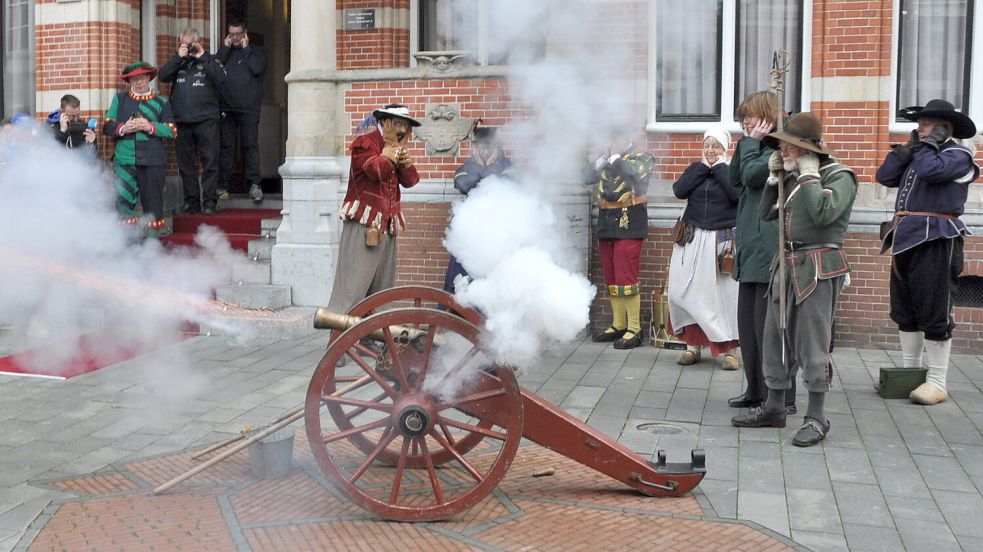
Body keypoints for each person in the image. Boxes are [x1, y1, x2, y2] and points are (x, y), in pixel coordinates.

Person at [731, 112, 857, 447]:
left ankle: (817, 416)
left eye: (789, 147)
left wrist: (810, 175)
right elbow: (765, 214)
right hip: (784, 263)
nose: (783, 152)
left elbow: (823, 213)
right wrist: (776, 180)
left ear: (808, 150)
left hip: (817, 265)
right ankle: (774, 406)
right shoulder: (792, 174)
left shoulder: (839, 176)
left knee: (811, 341)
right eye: (782, 147)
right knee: (774, 335)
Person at [875, 99, 979, 405]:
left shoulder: (959, 155)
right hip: (905, 237)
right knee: (905, 308)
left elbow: (931, 172)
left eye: (926, 123)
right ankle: (911, 373)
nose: (918, 128)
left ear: (944, 128)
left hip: (937, 240)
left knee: (935, 310)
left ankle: (937, 381)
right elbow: (884, 176)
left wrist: (925, 147)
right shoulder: (921, 152)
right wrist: (905, 151)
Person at [728, 91, 797, 413]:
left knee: (771, 327)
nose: (745, 122)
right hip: (750, 249)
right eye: (743, 117)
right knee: (749, 327)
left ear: (767, 117)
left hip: (769, 248)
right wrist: (745, 143)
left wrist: (751, 144)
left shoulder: (781, 147)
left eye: (750, 116)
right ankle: (754, 389)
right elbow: (734, 179)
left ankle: (781, 396)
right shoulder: (751, 146)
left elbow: (754, 176)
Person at [326, 103, 420, 314]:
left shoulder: (395, 147)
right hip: (364, 226)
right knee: (352, 290)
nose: (402, 130)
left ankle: (375, 335)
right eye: (397, 124)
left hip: (387, 227)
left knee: (382, 292)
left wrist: (403, 160)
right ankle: (341, 333)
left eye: (405, 125)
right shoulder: (364, 143)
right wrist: (390, 153)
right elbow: (376, 171)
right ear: (383, 122)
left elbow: (412, 181)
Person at [668, 127, 740, 369]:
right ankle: (692, 346)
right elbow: (679, 191)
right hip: (693, 238)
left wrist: (719, 169)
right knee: (686, 291)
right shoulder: (695, 169)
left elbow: (737, 195)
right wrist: (701, 169)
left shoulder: (731, 171)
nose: (710, 150)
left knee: (720, 296)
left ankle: (726, 350)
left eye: (716, 146)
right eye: (707, 145)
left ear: (724, 148)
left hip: (721, 241)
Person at [586, 129, 655, 349]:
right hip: (607, 222)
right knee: (612, 277)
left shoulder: (643, 158)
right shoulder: (606, 162)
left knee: (627, 276)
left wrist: (614, 157)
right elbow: (584, 178)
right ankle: (619, 324)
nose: (609, 143)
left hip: (629, 221)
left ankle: (634, 329)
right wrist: (601, 160)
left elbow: (632, 175)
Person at [102, 61, 176, 238]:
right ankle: (126, 244)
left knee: (153, 206)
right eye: (134, 79)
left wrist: (149, 126)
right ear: (129, 81)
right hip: (125, 160)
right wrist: (123, 128)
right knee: (123, 203)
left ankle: (151, 245)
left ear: (149, 79)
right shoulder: (120, 99)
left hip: (152, 161)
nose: (138, 82)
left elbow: (172, 131)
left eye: (141, 78)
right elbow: (107, 126)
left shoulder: (161, 102)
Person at [160, 27, 227, 215]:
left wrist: (202, 56)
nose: (188, 48)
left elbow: (221, 78)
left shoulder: (210, 60)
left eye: (190, 44)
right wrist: (178, 58)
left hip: (207, 120)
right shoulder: (178, 63)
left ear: (198, 43)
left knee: (210, 162)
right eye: (184, 44)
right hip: (182, 121)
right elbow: (163, 76)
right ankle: (192, 202)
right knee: (186, 165)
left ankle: (210, 203)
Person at [444, 126, 515, 293]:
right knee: (458, 275)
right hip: (471, 230)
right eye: (482, 146)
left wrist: (485, 169)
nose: (485, 150)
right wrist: (487, 170)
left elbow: (510, 184)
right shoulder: (469, 165)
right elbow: (462, 184)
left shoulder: (508, 165)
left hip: (498, 232)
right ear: (476, 148)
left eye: (489, 146)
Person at [217, 21, 266, 202]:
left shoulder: (257, 51)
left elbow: (257, 68)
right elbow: (213, 70)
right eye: (232, 34)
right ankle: (222, 186)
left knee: (250, 146)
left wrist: (245, 49)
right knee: (227, 148)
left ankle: (255, 185)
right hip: (227, 109)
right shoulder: (224, 53)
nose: (235, 38)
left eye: (238, 34)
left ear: (245, 34)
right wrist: (225, 49)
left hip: (249, 109)